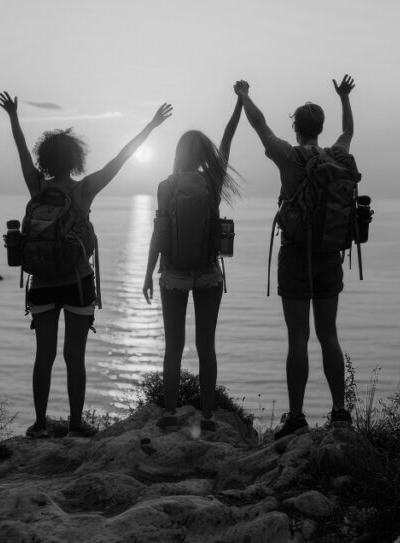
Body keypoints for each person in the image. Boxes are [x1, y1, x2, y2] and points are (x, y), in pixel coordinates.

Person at [0, 91, 172, 438]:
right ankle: (76, 424)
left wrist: (14, 117)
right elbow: (121, 159)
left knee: (43, 356)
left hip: (42, 281)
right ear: (75, 159)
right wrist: (151, 126)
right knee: (74, 357)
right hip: (77, 282)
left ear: (46, 159)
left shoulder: (37, 187)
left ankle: (40, 424)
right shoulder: (84, 190)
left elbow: (21, 151)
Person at [233, 75, 356, 439]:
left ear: (296, 128)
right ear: (320, 128)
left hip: (295, 255)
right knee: (329, 335)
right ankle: (340, 412)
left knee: (297, 338)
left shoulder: (288, 155)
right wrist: (344, 98)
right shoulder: (337, 155)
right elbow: (349, 131)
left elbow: (259, 124)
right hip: (330, 255)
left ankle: (297, 417)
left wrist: (244, 95)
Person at [142, 94, 243, 433]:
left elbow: (159, 233)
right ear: (203, 155)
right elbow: (227, 139)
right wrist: (239, 103)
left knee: (173, 347)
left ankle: (170, 413)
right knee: (206, 347)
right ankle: (209, 417)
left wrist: (148, 274)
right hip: (208, 273)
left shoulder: (165, 186)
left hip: (173, 274)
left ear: (178, 154)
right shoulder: (212, 182)